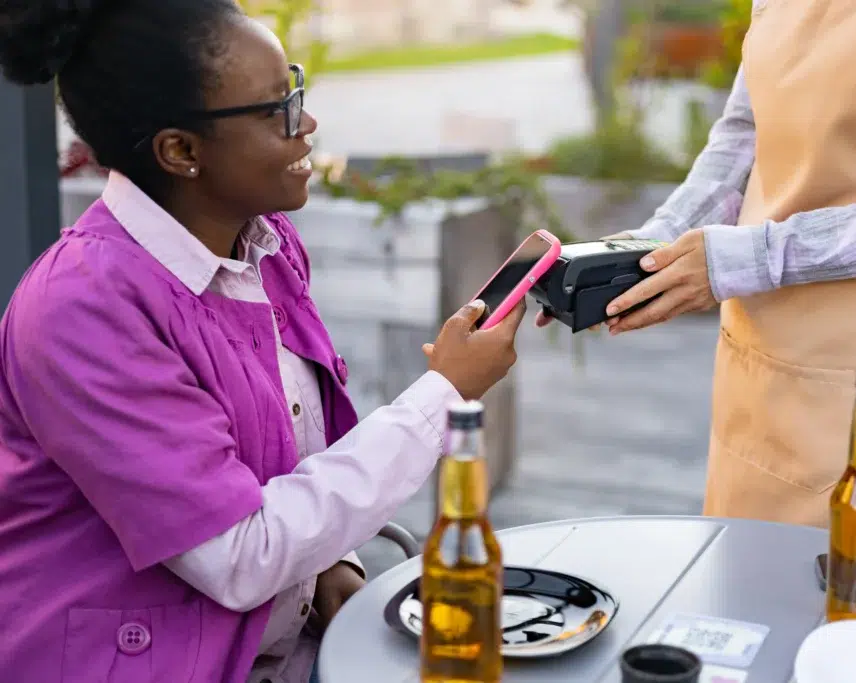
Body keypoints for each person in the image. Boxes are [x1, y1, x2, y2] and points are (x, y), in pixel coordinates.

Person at [0, 1, 525, 682]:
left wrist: (332, 564)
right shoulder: (84, 308)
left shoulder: (263, 244)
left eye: (296, 89)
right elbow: (239, 554)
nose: (306, 124)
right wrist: (444, 394)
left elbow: (286, 457)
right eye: (278, 108)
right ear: (181, 151)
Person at [561, 0, 856, 567]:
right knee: (746, 604)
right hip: (765, 364)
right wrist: (641, 253)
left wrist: (750, 257)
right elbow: (743, 137)